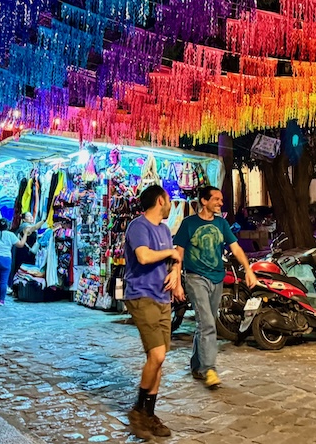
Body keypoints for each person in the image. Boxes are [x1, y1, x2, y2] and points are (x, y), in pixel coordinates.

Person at [175, 186, 258, 390]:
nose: (221, 202)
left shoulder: (221, 224)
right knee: (208, 324)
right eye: (217, 199)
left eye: (221, 199)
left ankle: (197, 365)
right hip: (195, 278)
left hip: (217, 278)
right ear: (204, 201)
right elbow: (178, 253)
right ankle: (210, 369)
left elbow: (235, 247)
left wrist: (248, 269)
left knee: (206, 324)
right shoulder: (188, 224)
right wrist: (176, 282)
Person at [123, 184, 183, 440]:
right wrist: (171, 252)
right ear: (161, 200)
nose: (171, 204)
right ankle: (137, 410)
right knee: (157, 356)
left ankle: (149, 414)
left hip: (162, 297)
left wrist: (175, 274)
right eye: (169, 200)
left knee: (157, 359)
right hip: (141, 294)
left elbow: (173, 260)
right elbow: (144, 256)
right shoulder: (139, 226)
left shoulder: (164, 229)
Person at [0, 219, 29, 308]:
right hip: (6, 260)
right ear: (7, 226)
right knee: (3, 282)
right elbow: (20, 244)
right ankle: (1, 301)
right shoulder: (11, 235)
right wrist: (25, 235)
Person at [9, 212, 47, 287]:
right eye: (28, 216)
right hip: (24, 253)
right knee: (23, 269)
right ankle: (18, 287)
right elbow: (34, 228)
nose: (31, 217)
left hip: (27, 253)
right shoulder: (25, 226)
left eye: (31, 216)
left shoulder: (28, 226)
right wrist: (44, 220)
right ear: (23, 219)